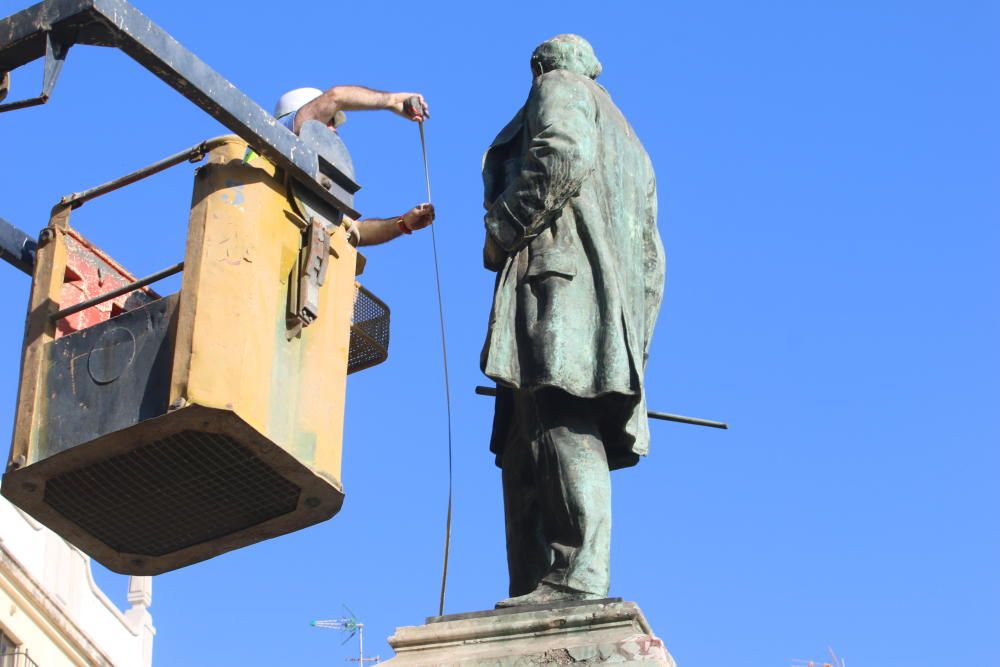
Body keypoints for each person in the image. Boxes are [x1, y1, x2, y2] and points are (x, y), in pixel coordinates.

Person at [481, 35, 666, 607]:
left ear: (539, 67)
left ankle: (573, 576)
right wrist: (633, 339)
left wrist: (503, 226)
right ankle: (540, 581)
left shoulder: (559, 88)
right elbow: (653, 262)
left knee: (558, 417)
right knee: (526, 441)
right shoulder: (632, 144)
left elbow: (561, 152)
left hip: (558, 287)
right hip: (597, 304)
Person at [272, 86, 434, 246]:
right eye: (329, 120)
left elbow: (355, 230)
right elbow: (336, 97)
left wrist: (403, 223)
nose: (334, 130)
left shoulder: (314, 185)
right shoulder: (285, 136)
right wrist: (394, 101)